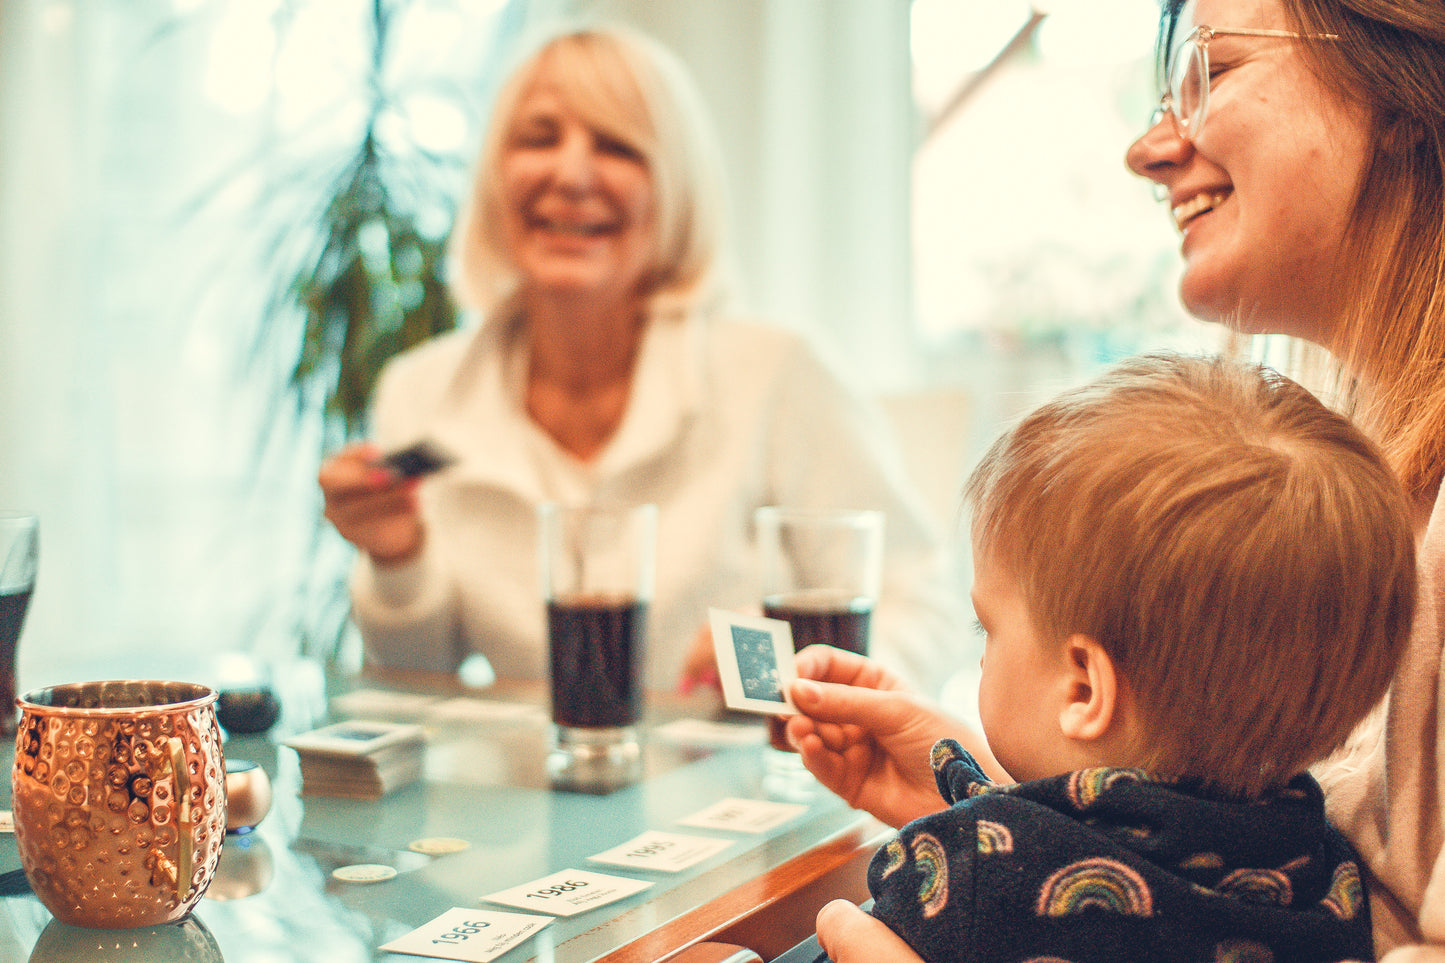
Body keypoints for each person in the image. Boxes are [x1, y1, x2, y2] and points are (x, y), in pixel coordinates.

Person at [784, 0, 1445, 960]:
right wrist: (1001, 798)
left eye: (1207, 73)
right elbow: (1212, 860)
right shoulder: (1348, 483)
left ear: (1406, 73)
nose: (1147, 148)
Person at [316, 24, 963, 695]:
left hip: (740, 785)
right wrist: (396, 557)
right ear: (493, 177)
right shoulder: (419, 392)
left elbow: (921, 603)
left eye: (617, 145)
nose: (570, 174)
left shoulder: (776, 372)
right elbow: (421, 679)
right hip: (535, 785)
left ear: (674, 189)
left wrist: (788, 671)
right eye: (539, 138)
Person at [868, 351, 1414, 962]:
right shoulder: (1324, 868)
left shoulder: (967, 879)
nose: (981, 658)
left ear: (1083, 690)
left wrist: (843, 928)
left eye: (986, 628)